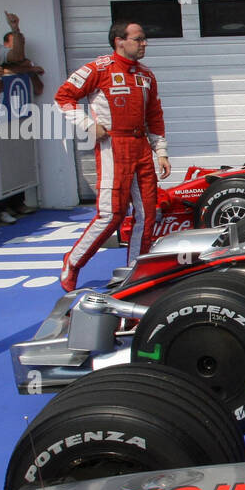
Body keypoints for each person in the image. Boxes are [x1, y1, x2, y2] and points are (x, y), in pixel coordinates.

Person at [56, 21, 170, 291]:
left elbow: (154, 115)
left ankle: (133, 272)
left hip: (141, 145)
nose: (144, 44)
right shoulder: (99, 68)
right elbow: (63, 97)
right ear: (120, 40)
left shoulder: (146, 75)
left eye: (144, 39)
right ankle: (72, 262)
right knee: (111, 214)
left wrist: (161, 152)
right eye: (138, 39)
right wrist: (87, 125)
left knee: (147, 214)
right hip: (113, 146)